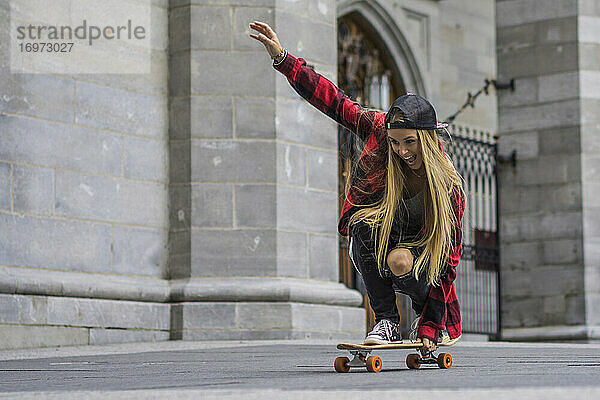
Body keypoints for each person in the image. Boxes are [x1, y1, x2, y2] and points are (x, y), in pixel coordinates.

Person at [249, 21, 465, 353]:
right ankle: (387, 321)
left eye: (409, 143)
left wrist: (432, 324)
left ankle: (422, 312)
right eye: (395, 142)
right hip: (387, 229)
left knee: (401, 263)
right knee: (361, 224)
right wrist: (283, 59)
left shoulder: (447, 185)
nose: (401, 151)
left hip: (423, 251)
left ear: (427, 138)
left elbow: (448, 261)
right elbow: (334, 102)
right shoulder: (378, 129)